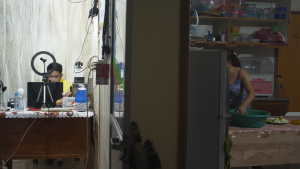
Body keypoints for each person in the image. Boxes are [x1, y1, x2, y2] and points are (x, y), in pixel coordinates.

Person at [226, 50, 255, 115]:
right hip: (228, 113)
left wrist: (244, 106)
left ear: (229, 62)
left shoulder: (241, 72)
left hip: (241, 113)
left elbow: (251, 92)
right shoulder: (220, 74)